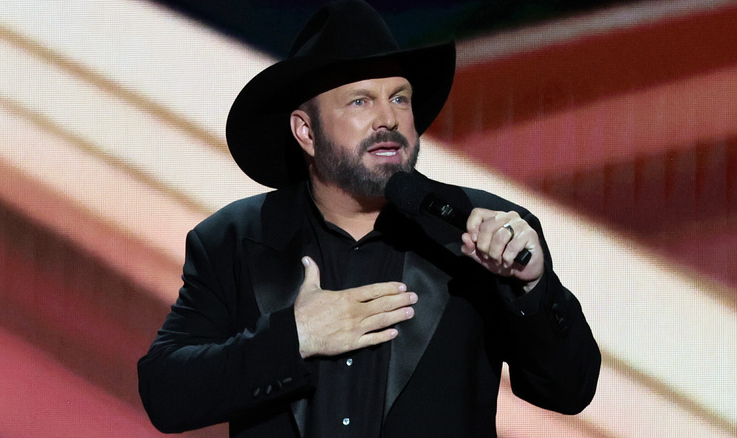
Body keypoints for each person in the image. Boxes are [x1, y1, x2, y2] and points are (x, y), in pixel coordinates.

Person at [137, 1, 601, 437]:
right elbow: (166, 393)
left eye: (400, 98)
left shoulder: (481, 230)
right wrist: (294, 338)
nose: (389, 119)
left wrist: (533, 287)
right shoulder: (233, 239)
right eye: (360, 101)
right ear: (305, 130)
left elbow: (569, 390)